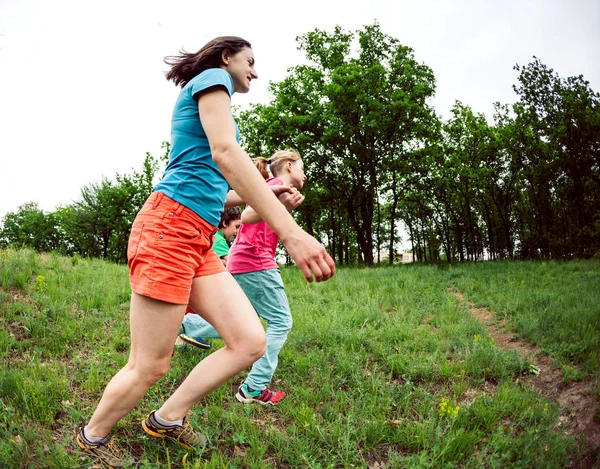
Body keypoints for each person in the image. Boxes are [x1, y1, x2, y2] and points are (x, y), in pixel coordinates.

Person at [76, 36, 335, 468]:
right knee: (150, 365)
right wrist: (289, 232)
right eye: (250, 61)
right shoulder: (212, 78)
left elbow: (221, 193)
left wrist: (270, 205)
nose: (255, 70)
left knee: (250, 340)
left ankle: (168, 418)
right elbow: (225, 153)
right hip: (169, 229)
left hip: (196, 236)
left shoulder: (219, 103)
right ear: (225, 57)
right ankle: (93, 436)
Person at [177, 149, 307, 406]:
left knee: (242, 322)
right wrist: (280, 205)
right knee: (281, 321)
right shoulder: (276, 185)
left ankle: (183, 326)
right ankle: (254, 387)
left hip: (243, 261)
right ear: (290, 166)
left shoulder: (273, 187)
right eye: (302, 168)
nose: (305, 174)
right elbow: (246, 216)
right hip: (256, 263)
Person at [178, 207, 242, 350]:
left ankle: (182, 342)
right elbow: (232, 262)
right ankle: (186, 335)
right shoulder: (218, 239)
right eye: (236, 226)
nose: (238, 232)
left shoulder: (216, 238)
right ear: (225, 223)